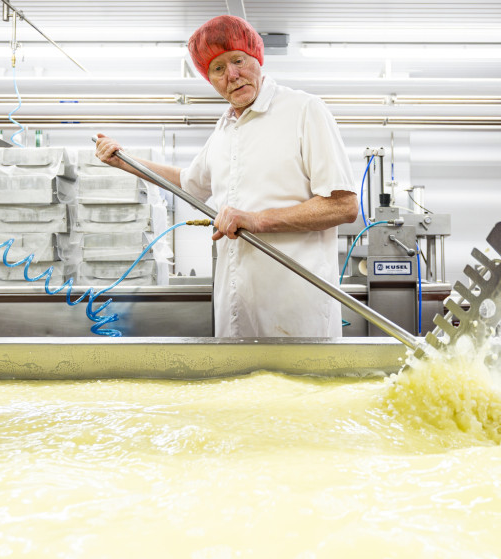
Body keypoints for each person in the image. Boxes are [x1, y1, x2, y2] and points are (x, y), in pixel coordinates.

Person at [95, 14, 358, 338]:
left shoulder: (304, 110)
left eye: (238, 60)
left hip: (296, 311)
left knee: (302, 388)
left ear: (257, 59)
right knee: (240, 388)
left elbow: (342, 207)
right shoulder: (224, 130)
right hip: (236, 309)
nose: (232, 74)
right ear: (210, 79)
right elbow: (188, 181)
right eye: (218, 69)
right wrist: (126, 162)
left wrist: (258, 220)